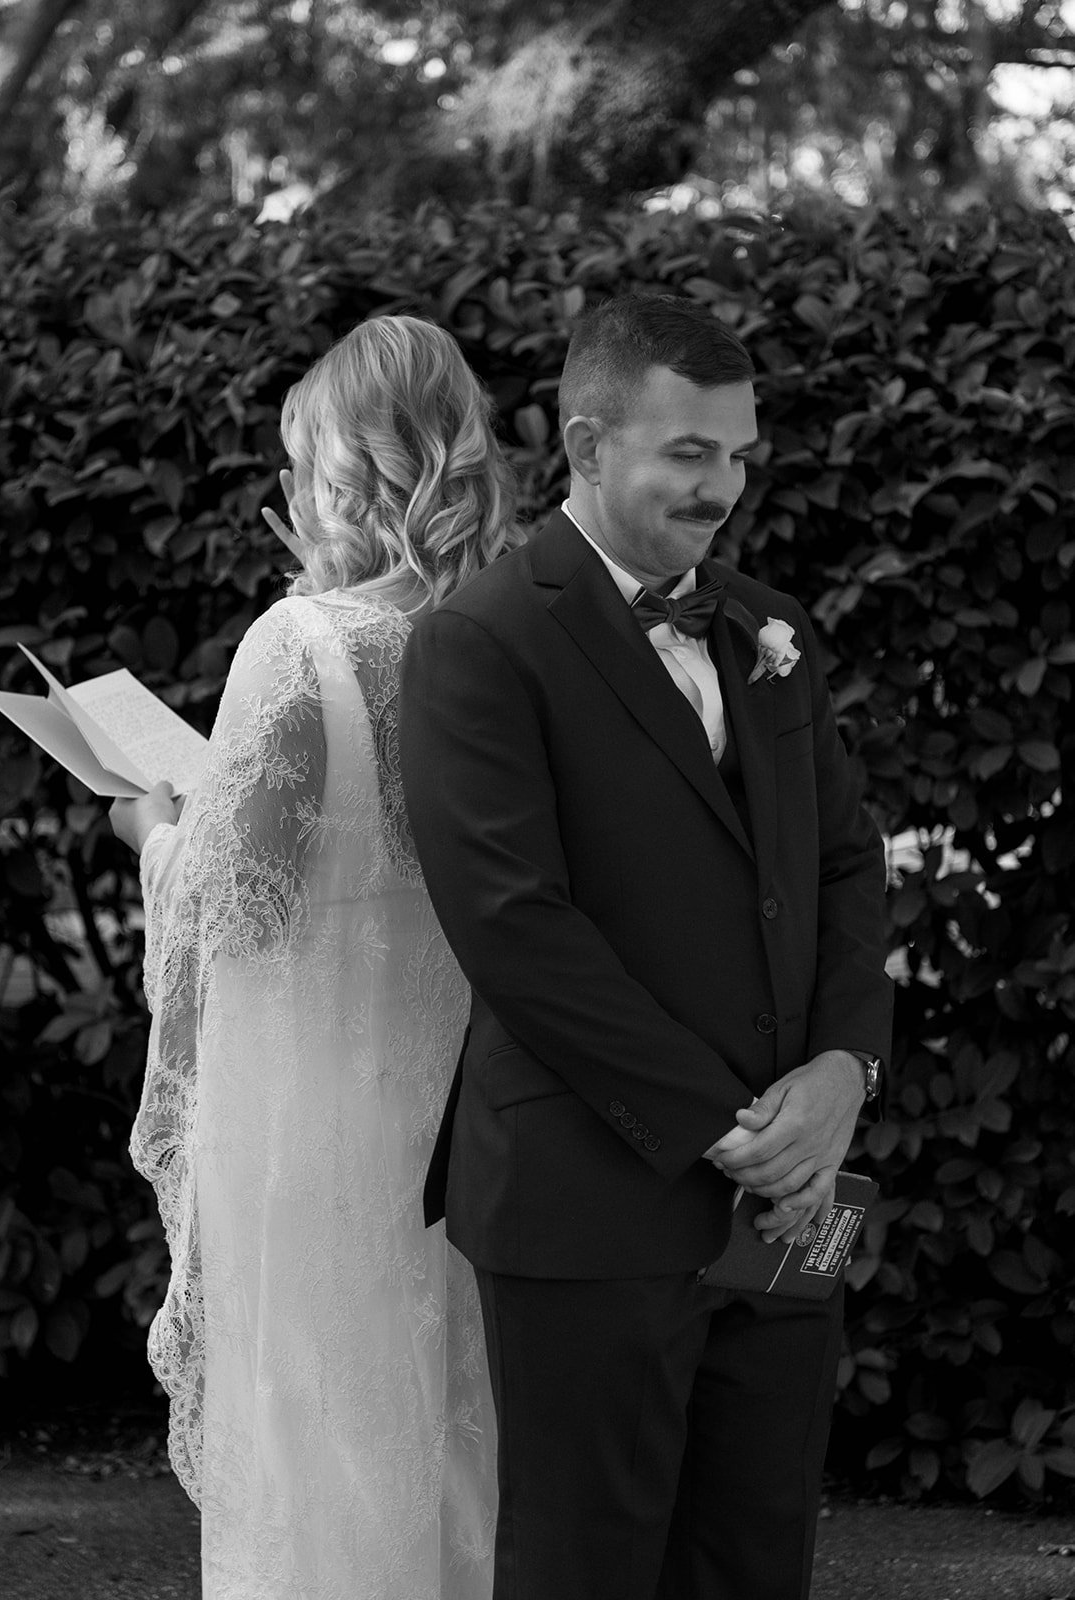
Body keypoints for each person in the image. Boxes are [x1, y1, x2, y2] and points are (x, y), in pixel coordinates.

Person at [398, 293, 894, 1600]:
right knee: (588, 1568)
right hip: (589, 1197)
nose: (720, 487)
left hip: (791, 1197)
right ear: (584, 443)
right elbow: (513, 928)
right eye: (687, 452)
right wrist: (727, 1127)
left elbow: (843, 864)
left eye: (736, 454)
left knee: (753, 1559)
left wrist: (842, 1072)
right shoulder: (480, 641)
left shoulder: (773, 631)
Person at [109, 314, 519, 1600]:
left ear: (341, 470)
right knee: (454, 1424)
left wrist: (153, 831)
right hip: (469, 1109)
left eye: (300, 465)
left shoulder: (302, 644)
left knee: (320, 1434)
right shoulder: (511, 633)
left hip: (313, 1125)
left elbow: (236, 908)